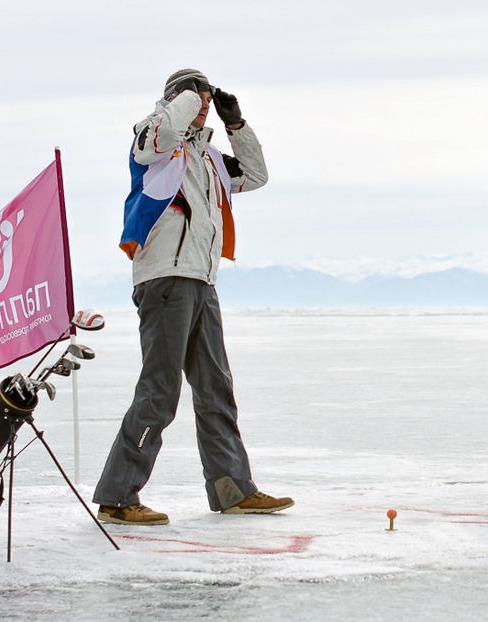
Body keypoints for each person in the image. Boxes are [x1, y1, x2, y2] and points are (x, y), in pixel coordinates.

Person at [93, 68, 293, 525]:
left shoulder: (208, 159)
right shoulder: (153, 144)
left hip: (202, 282)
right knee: (160, 391)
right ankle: (117, 496)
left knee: (216, 388)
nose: (204, 100)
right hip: (165, 280)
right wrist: (184, 95)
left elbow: (257, 175)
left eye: (207, 94)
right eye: (196, 94)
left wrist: (236, 125)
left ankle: (233, 488)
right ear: (175, 98)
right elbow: (162, 133)